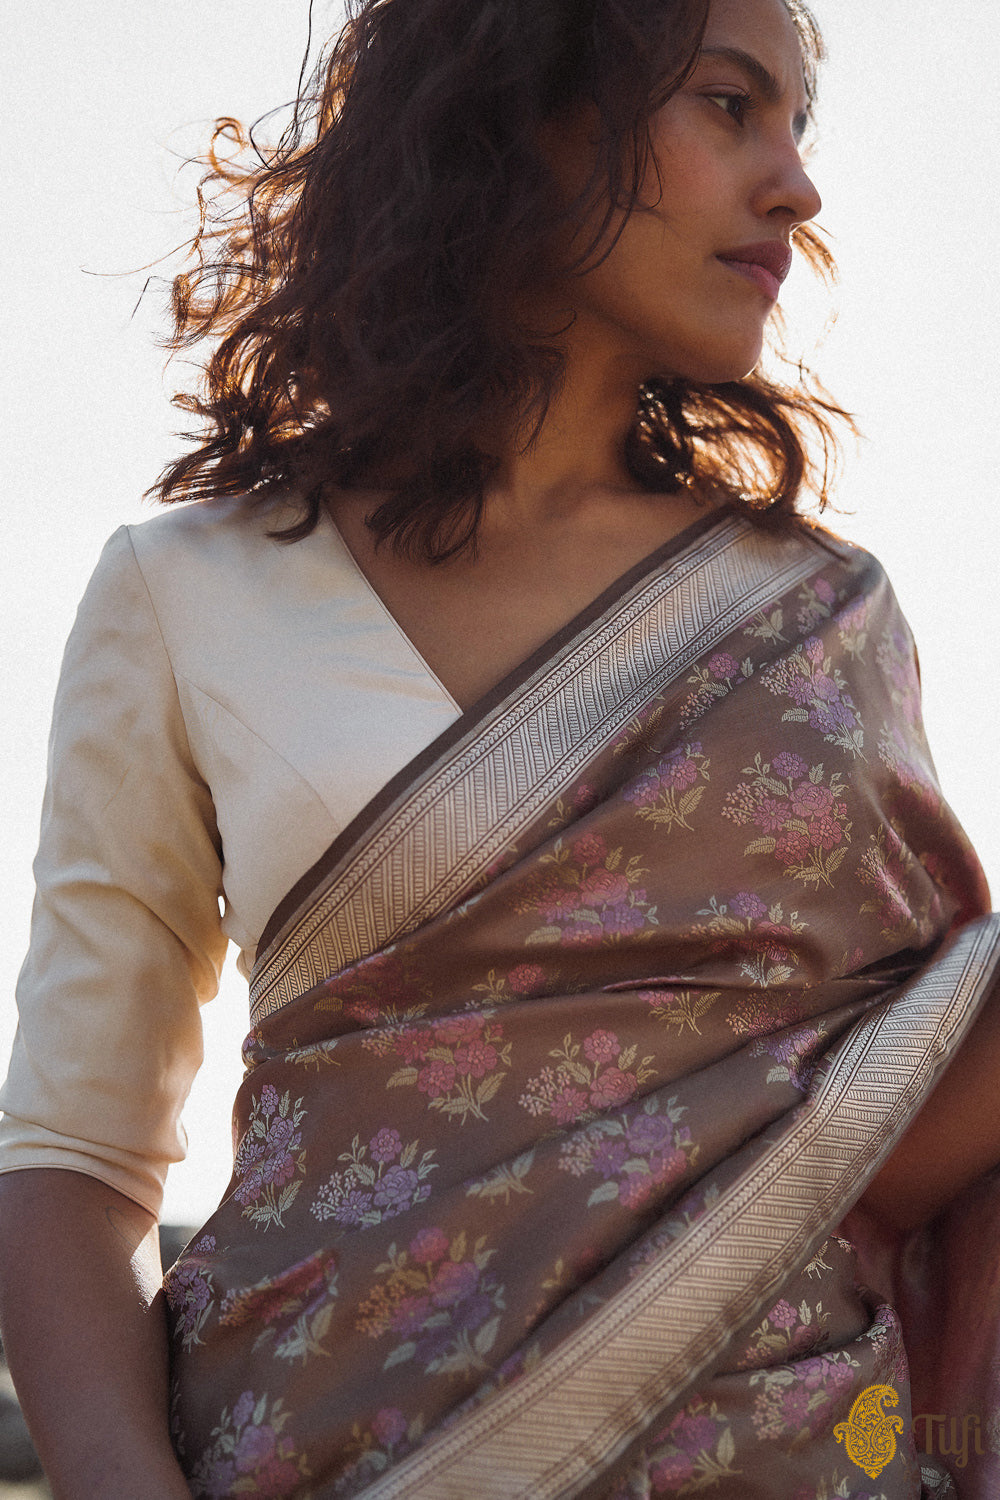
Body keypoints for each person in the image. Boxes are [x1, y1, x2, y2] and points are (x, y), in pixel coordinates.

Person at [0, 0, 998, 1495]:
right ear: (526, 117)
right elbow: (73, 1156)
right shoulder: (192, 594)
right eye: (731, 107)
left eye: (798, 126)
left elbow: (880, 1121)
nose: (796, 186)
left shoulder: (819, 619)